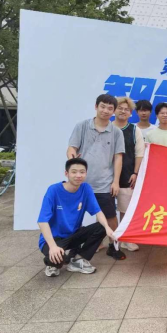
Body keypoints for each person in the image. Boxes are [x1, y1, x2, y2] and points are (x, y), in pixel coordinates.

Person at [67, 94, 126, 261]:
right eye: (102, 106)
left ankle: (114, 246)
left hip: (104, 183)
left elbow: (118, 158)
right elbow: (71, 147)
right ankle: (73, 247)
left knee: (110, 217)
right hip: (80, 182)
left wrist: (115, 181)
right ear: (96, 106)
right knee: (74, 217)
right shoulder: (82, 126)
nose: (105, 111)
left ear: (114, 111)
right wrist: (72, 159)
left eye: (110, 108)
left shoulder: (116, 132)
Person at [38, 158, 116, 277]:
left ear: (86, 173)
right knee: (58, 261)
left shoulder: (86, 188)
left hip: (73, 235)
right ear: (66, 173)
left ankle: (78, 260)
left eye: (82, 172)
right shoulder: (53, 190)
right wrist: (53, 246)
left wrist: (107, 227)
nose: (78, 175)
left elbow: (98, 212)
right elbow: (42, 221)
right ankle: (52, 262)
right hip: (55, 238)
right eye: (74, 172)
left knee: (102, 227)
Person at [113, 97, 145, 253]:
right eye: (120, 108)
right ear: (114, 109)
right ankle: (106, 239)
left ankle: (126, 239)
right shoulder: (107, 127)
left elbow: (139, 153)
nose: (123, 111)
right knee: (104, 209)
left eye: (126, 109)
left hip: (127, 174)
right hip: (105, 175)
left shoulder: (134, 129)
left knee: (125, 208)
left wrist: (135, 172)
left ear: (131, 113)